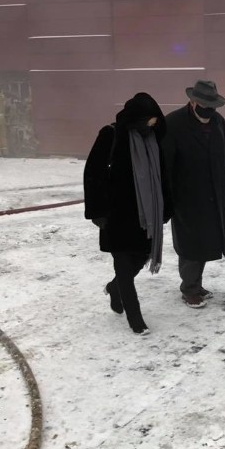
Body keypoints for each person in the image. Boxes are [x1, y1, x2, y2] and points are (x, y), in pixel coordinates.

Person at [83, 92, 171, 336]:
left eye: (154, 120)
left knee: (140, 259)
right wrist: (97, 212)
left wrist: (166, 208)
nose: (152, 125)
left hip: (147, 216)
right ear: (135, 118)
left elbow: (162, 176)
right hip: (117, 215)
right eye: (148, 120)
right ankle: (135, 318)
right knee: (123, 264)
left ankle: (114, 288)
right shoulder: (111, 135)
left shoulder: (152, 140)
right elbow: (92, 173)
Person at [162, 80, 225, 309]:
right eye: (204, 104)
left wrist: (223, 185)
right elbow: (166, 165)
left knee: (206, 241)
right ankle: (189, 289)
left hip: (213, 194)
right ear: (192, 101)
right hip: (186, 196)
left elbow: (224, 157)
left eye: (212, 105)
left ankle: (196, 284)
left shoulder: (219, 122)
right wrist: (170, 198)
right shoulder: (173, 123)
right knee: (190, 243)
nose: (208, 110)